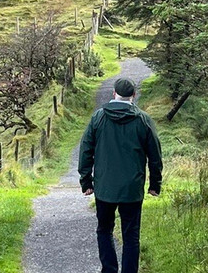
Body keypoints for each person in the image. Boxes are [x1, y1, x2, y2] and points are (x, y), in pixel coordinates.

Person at [78, 77, 163, 273]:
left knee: (104, 230)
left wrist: (86, 181)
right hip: (132, 190)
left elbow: (85, 151)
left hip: (105, 188)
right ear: (133, 95)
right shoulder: (143, 120)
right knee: (131, 235)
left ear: (114, 94)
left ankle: (109, 270)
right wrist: (154, 184)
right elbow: (155, 155)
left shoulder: (98, 117)